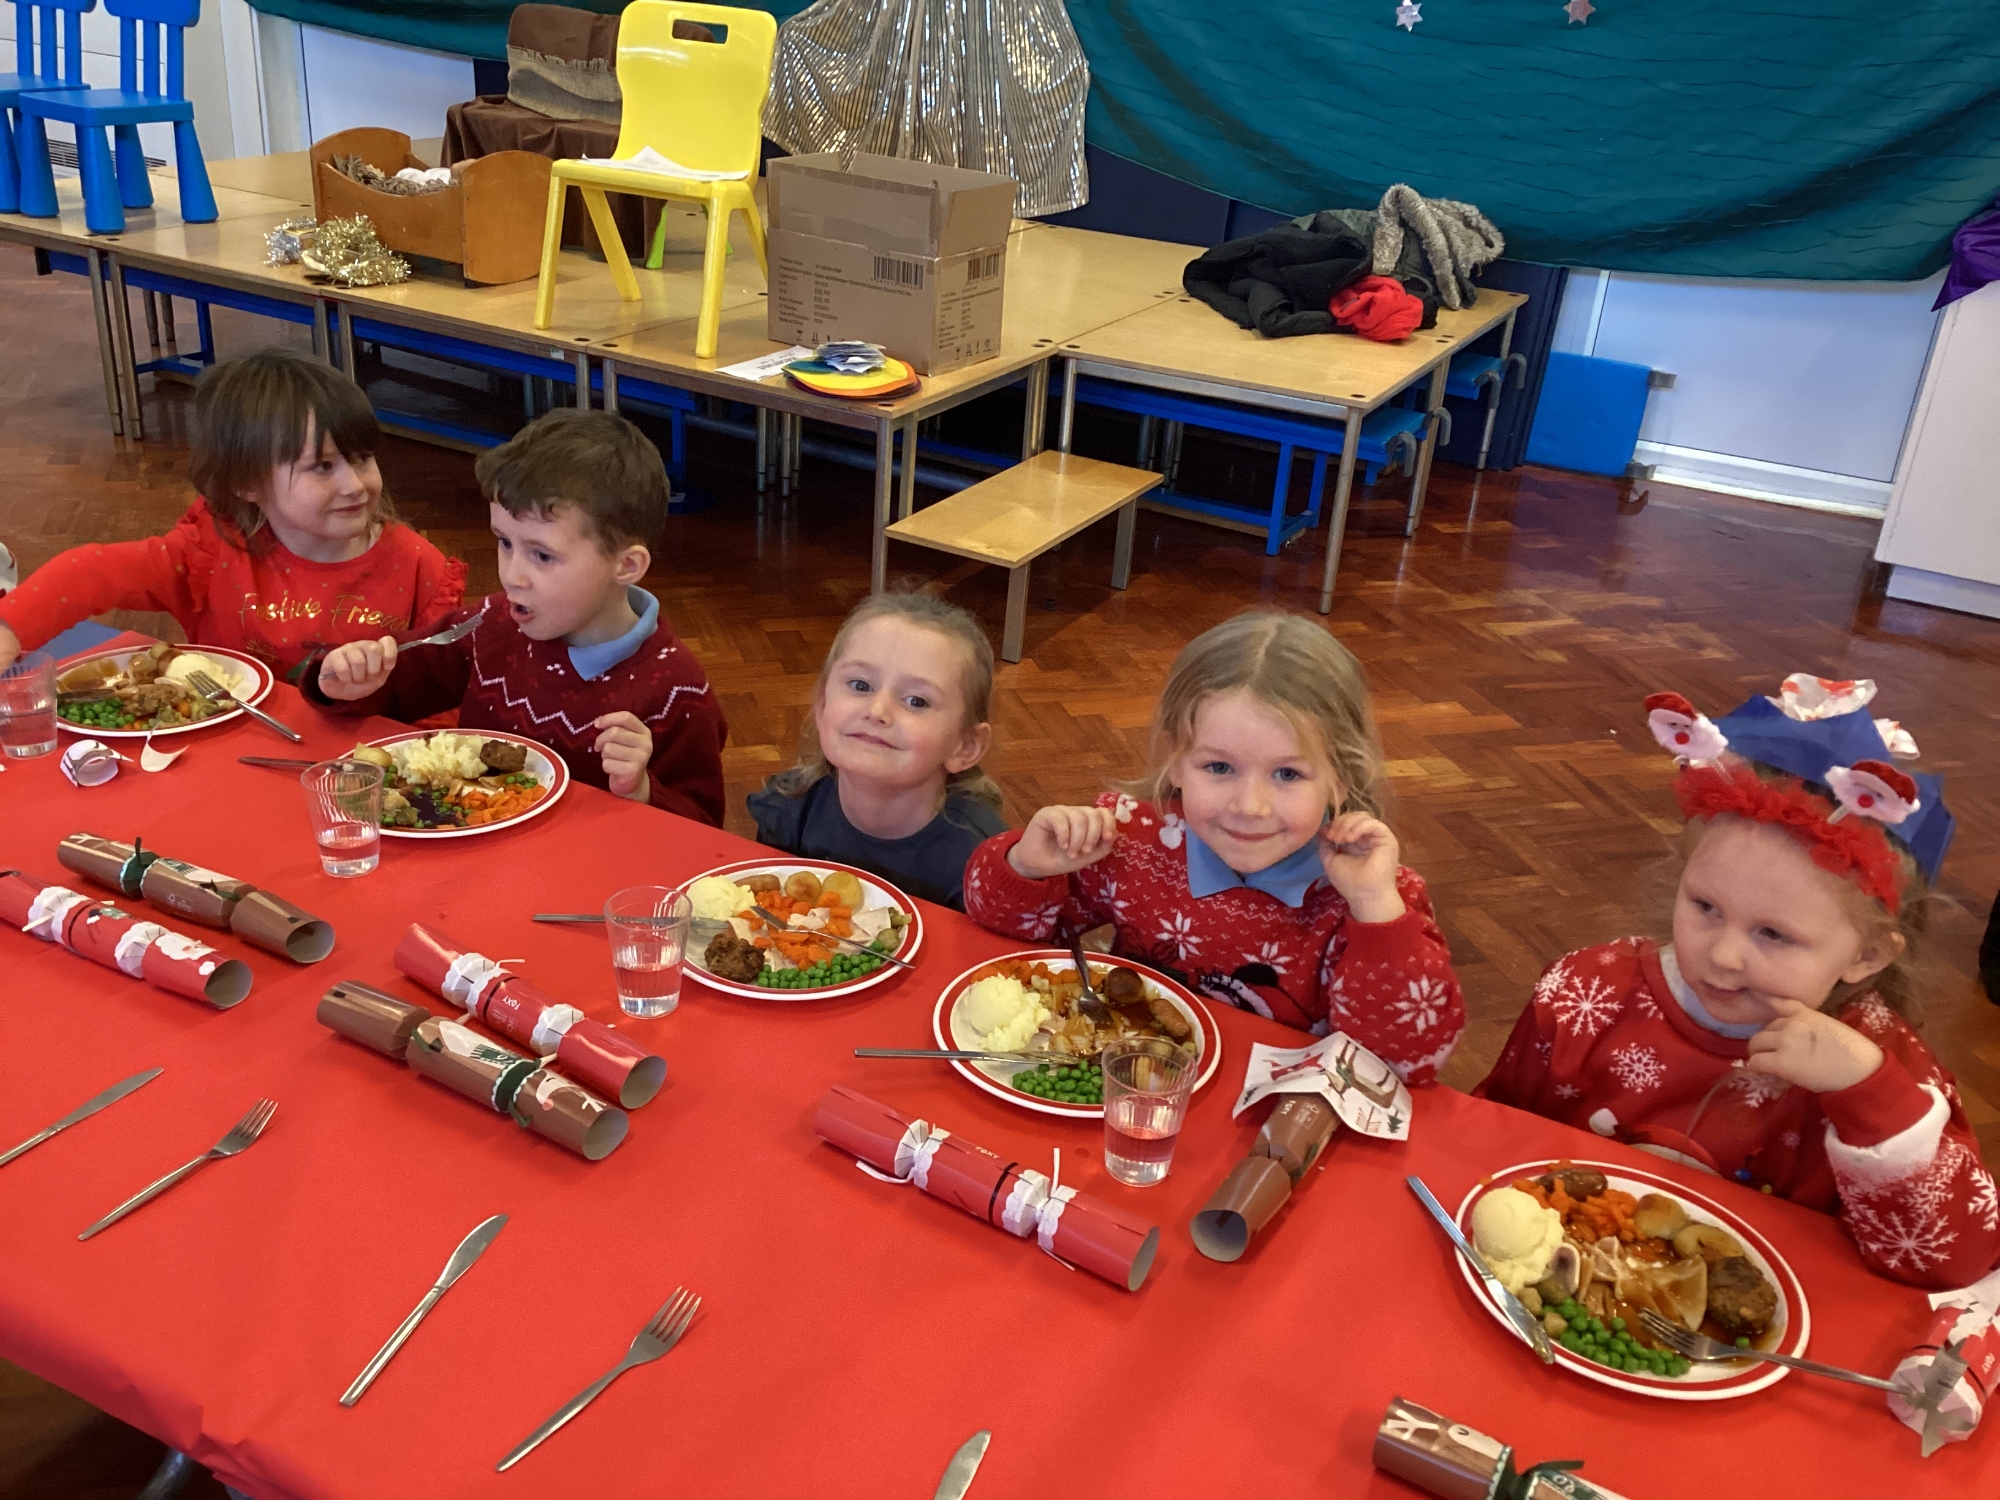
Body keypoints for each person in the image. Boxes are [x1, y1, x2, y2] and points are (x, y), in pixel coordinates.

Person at [1477, 681, 1998, 1289]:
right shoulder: (1587, 993)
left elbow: (1955, 1263)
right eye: (1704, 906)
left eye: (1773, 934)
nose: (1723, 956)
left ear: (1868, 954)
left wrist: (1870, 1099)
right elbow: (1486, 1140)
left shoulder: (1884, 1068)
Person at [961, 610, 1465, 1084]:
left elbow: (1404, 1063)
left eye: (1288, 774)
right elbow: (1004, 935)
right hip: (1132, 1095)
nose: (1250, 806)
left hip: (1268, 1119)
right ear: (1177, 762)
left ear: (1342, 778)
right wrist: (1026, 866)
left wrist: (1375, 908)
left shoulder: (1372, 895)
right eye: (1219, 767)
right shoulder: (1136, 840)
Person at [307, 409, 727, 825]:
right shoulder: (492, 623)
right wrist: (348, 680)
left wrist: (644, 791)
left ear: (626, 566)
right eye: (505, 543)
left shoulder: (675, 689)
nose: (512, 575)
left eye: (542, 555)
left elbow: (706, 829)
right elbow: (399, 684)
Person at [0, 348, 465, 677]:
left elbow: (441, 698)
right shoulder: (211, 551)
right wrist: (9, 629)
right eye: (322, 467)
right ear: (247, 483)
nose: (355, 485)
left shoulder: (418, 568)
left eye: (362, 458)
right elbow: (91, 572)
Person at [749, 591, 1005, 910]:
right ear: (822, 705)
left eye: (916, 701)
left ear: (965, 746)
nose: (877, 710)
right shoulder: (788, 808)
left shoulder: (983, 860)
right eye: (861, 685)